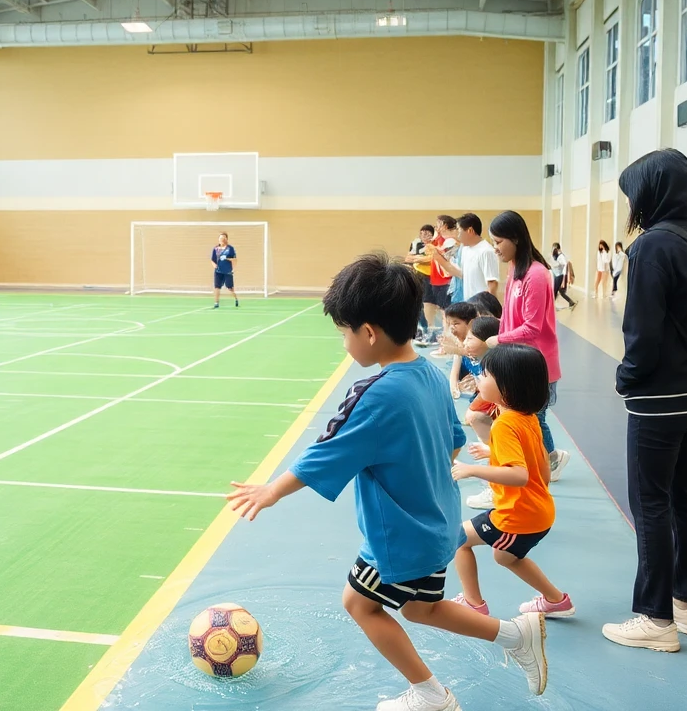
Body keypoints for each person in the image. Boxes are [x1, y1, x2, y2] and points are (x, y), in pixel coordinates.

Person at [226, 253, 549, 710]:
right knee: (420, 607)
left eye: (345, 332)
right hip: (438, 521)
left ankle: (431, 694)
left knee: (359, 604)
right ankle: (516, 634)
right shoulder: (432, 377)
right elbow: (452, 442)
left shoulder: (374, 395)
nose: (345, 343)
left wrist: (270, 491)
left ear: (370, 332)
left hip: (399, 535)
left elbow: (326, 453)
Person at [602, 148, 687, 653]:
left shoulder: (652, 246)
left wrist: (626, 379)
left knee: (650, 502)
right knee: (685, 495)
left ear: (651, 193)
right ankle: (686, 607)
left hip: (661, 399)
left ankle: (654, 618)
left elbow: (643, 331)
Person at [451, 344, 574, 620]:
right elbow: (540, 468)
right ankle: (556, 600)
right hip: (539, 511)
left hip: (517, 516)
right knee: (505, 556)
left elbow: (520, 475)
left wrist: (473, 470)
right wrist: (492, 453)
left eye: (485, 375)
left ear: (507, 387)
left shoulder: (504, 424)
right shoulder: (526, 418)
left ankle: (473, 603)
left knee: (458, 540)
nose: (480, 379)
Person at [484, 212, 570, 488]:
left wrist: (499, 340)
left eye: (498, 241)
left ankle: (551, 460)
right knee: (525, 417)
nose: (495, 247)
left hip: (536, 363)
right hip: (516, 360)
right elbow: (511, 318)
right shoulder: (514, 271)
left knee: (536, 418)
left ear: (516, 239)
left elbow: (533, 327)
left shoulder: (536, 274)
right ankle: (541, 461)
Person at [430, 212, 501, 305]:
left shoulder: (486, 251)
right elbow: (460, 273)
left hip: (482, 307)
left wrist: (488, 310)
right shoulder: (465, 249)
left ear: (470, 231)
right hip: (468, 304)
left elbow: (492, 284)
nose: (457, 234)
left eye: (459, 231)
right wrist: (439, 258)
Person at [459, 316, 502, 453]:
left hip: (502, 402)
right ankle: (493, 449)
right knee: (473, 417)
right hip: (491, 398)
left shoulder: (497, 365)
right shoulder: (474, 358)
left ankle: (497, 450)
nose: (465, 343)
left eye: (470, 339)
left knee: (472, 416)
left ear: (488, 341)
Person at [417, 215, 459, 345]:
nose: (436, 227)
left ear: (445, 226)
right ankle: (437, 335)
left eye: (438, 224)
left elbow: (444, 257)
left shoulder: (450, 241)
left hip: (446, 280)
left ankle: (448, 340)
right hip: (436, 280)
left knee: (445, 311)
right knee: (438, 308)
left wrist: (433, 250)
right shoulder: (438, 240)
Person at [439, 301, 480, 398]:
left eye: (456, 323)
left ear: (471, 323)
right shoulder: (458, 341)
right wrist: (454, 389)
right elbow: (455, 371)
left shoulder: (477, 340)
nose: (452, 328)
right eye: (449, 324)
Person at [407, 225, 436, 338]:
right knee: (418, 303)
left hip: (430, 277)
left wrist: (418, 258)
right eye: (422, 233)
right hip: (417, 275)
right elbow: (408, 258)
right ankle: (422, 328)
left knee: (429, 303)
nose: (424, 235)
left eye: (427, 233)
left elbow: (432, 259)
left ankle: (431, 330)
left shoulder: (434, 245)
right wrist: (421, 259)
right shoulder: (416, 243)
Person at [211, 232, 239, 309]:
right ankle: (216, 303)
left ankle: (236, 299)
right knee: (217, 287)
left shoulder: (230, 248)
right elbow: (212, 260)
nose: (222, 239)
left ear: (226, 239)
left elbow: (235, 259)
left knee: (230, 288)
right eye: (220, 238)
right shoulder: (216, 249)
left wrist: (227, 259)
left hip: (227, 271)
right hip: (218, 271)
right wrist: (214, 265)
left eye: (223, 238)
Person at [549, 244, 576, 309]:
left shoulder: (561, 256)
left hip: (559, 276)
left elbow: (565, 265)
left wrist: (564, 278)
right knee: (561, 292)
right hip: (558, 275)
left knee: (554, 291)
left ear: (557, 249)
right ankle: (571, 302)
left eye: (554, 248)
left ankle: (551, 307)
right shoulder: (557, 256)